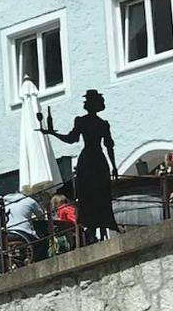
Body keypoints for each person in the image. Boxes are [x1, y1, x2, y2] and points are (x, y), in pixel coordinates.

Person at [42, 90, 118, 235]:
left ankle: (91, 225)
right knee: (98, 193)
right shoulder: (102, 124)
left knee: (89, 193)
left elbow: (71, 139)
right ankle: (100, 225)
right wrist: (113, 166)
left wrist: (53, 134)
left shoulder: (83, 121)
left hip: (88, 159)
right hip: (98, 159)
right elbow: (109, 146)